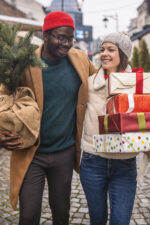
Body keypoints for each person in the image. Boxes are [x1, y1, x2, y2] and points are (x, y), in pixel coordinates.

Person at [0, 11, 96, 225]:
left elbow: (101, 84)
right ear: (45, 36)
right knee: (28, 216)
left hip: (64, 152)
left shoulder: (80, 60)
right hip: (31, 153)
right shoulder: (25, 64)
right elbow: (2, 96)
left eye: (70, 38)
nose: (66, 43)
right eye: (60, 37)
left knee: (61, 212)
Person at [79, 32, 139, 225]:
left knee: (120, 221)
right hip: (93, 161)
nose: (104, 53)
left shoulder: (139, 85)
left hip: (125, 164)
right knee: (97, 220)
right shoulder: (88, 84)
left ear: (123, 54)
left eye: (111, 49)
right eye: (102, 49)